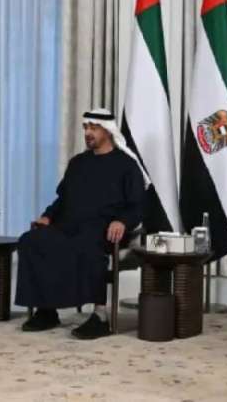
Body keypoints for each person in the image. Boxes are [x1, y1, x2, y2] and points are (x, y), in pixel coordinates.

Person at [15, 108, 147, 339]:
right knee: (32, 240)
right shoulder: (77, 163)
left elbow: (137, 206)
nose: (88, 133)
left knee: (88, 246)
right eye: (86, 127)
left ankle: (100, 316)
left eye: (94, 128)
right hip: (66, 226)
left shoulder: (126, 165)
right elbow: (62, 200)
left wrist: (122, 221)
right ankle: (46, 310)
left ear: (108, 131)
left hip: (103, 230)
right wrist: (47, 216)